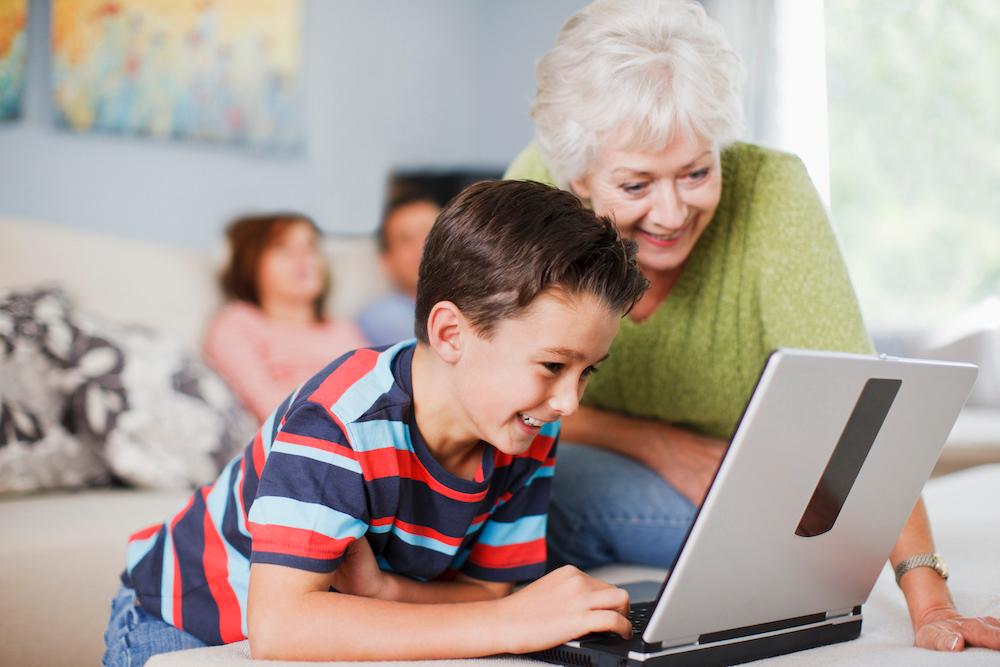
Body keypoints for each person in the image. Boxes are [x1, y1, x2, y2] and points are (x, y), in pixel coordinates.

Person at [505, 0, 1000, 653]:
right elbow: (501, 397)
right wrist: (658, 443)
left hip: (736, 482)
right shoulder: (535, 196)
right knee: (529, 490)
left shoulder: (771, 190)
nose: (672, 212)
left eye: (696, 172)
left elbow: (864, 414)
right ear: (578, 181)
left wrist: (927, 594)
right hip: (567, 457)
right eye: (635, 185)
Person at [101, 180, 650, 665]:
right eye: (553, 365)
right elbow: (281, 625)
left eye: (586, 372)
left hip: (336, 613)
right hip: (180, 620)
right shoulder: (338, 421)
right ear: (451, 334)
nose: (569, 402)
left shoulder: (528, 426)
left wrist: (389, 594)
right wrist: (513, 622)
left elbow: (486, 592)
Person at [203, 213, 368, 422]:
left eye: (311, 246)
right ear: (250, 262)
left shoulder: (342, 328)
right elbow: (266, 405)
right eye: (283, 248)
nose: (304, 258)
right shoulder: (237, 323)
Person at [357, 191, 440, 346]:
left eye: (431, 234)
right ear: (387, 261)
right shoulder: (384, 316)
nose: (422, 247)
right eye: (406, 239)